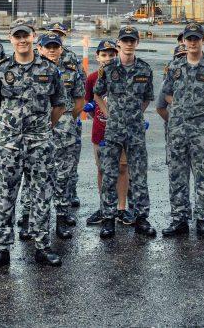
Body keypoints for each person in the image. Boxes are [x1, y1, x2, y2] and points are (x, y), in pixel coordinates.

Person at [0, 22, 66, 269]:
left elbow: (59, 104)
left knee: (41, 193)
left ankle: (42, 246)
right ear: (10, 39)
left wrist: (43, 130)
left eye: (26, 36)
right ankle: (1, 248)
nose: (22, 40)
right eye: (17, 36)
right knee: (4, 195)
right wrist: (10, 131)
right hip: (8, 144)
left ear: (33, 38)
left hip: (39, 143)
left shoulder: (49, 70)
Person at [161, 23, 204, 239]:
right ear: (184, 41)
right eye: (188, 39)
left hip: (202, 131)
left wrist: (203, 113)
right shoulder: (175, 67)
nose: (192, 42)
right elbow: (167, 95)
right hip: (178, 130)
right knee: (177, 174)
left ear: (203, 40)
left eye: (196, 38)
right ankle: (179, 219)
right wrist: (180, 108)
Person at [93, 25, 155, 238]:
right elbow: (98, 94)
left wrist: (136, 113)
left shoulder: (145, 69)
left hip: (136, 131)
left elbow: (147, 97)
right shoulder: (108, 69)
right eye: (125, 40)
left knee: (139, 175)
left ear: (137, 43)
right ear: (118, 43)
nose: (128, 44)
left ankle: (141, 219)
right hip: (114, 131)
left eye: (132, 40)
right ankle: (109, 218)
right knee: (109, 174)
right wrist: (109, 114)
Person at [34, 32, 84, 240]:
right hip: (39, 130)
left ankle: (61, 219)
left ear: (61, 49)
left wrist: (66, 120)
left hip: (65, 131)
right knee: (38, 178)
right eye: (48, 47)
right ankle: (36, 222)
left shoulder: (71, 71)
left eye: (56, 46)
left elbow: (79, 100)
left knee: (63, 176)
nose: (52, 50)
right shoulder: (32, 70)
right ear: (40, 49)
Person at [85, 39, 125, 227]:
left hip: (122, 131)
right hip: (100, 130)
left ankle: (121, 208)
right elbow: (90, 105)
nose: (108, 58)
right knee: (102, 169)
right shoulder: (92, 78)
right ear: (97, 57)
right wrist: (101, 120)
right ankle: (104, 207)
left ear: (116, 55)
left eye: (111, 54)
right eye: (104, 55)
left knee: (122, 168)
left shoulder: (124, 75)